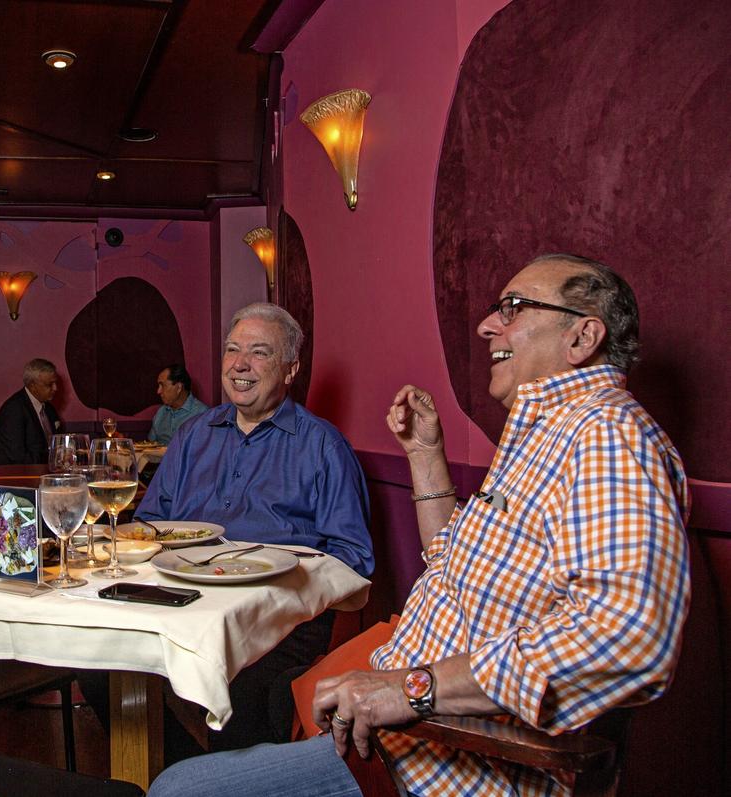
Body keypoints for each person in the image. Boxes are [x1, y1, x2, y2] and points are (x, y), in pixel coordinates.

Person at [147, 255, 691, 797]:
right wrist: (427, 455)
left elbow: (629, 634)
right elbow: (453, 568)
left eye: (513, 308)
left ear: (583, 337)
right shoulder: (546, 436)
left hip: (449, 767)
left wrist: (410, 689)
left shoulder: (608, 435)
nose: (486, 325)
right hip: (398, 741)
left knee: (179, 790)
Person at [128, 302, 373, 753]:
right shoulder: (192, 436)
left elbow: (353, 558)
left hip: (274, 624)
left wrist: (280, 574)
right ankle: (180, 774)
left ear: (290, 369)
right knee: (106, 670)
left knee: (239, 694)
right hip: (178, 607)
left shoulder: (323, 447)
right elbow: (147, 526)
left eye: (259, 352)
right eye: (232, 350)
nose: (240, 364)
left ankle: (202, 780)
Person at [0, 358, 63, 465]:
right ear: (32, 386)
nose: (55, 388)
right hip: (13, 476)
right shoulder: (14, 410)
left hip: (41, 473)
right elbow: (18, 458)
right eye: (49, 384)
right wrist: (53, 457)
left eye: (55, 383)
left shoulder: (49, 409)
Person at [147, 363, 208, 444]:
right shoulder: (161, 412)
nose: (158, 391)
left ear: (179, 387)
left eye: (162, 385)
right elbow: (149, 445)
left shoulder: (203, 414)